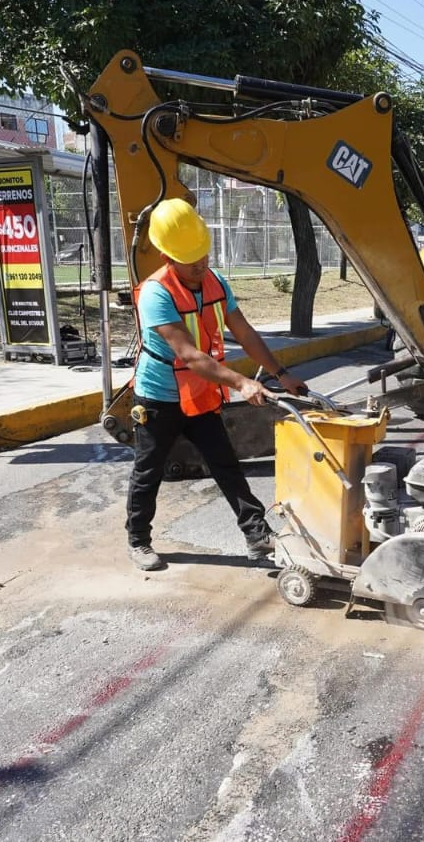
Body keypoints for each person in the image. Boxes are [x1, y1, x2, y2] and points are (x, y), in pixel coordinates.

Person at [126, 198, 308, 572]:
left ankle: (257, 536)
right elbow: (189, 355)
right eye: (190, 258)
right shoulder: (155, 293)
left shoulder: (215, 282)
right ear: (166, 254)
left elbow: (245, 333)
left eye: (204, 254)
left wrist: (279, 372)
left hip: (200, 392)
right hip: (159, 395)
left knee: (225, 463)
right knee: (149, 469)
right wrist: (243, 383)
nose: (201, 264)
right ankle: (138, 540)